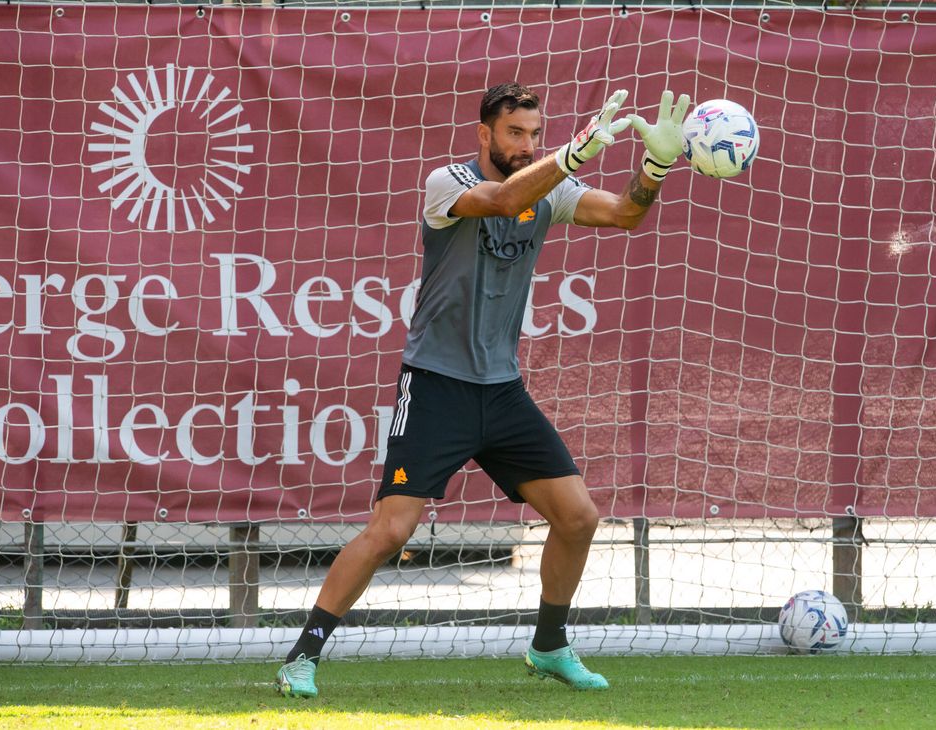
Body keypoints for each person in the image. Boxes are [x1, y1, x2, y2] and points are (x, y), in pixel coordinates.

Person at [275, 83, 691, 698]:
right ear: (485, 135)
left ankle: (549, 647)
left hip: (501, 391)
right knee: (391, 531)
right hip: (436, 386)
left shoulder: (553, 187)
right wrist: (571, 155)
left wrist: (654, 167)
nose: (526, 144)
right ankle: (301, 657)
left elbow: (625, 213)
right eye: (514, 133)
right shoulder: (446, 183)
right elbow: (501, 200)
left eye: (534, 133)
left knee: (578, 518)